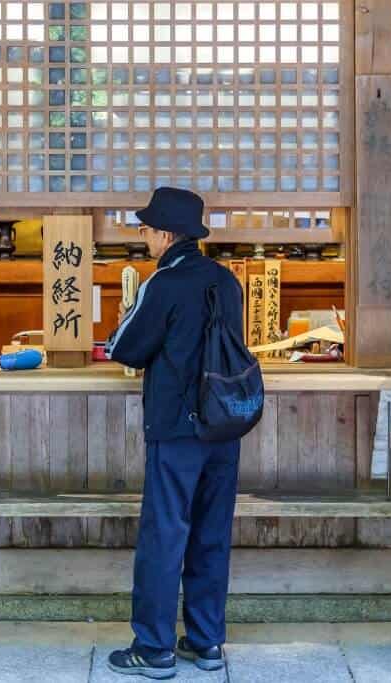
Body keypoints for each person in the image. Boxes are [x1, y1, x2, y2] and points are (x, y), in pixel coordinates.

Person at [104, 187, 244, 679]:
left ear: (165, 234)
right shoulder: (227, 282)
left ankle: (155, 647)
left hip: (175, 428)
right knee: (211, 533)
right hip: (224, 427)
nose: (142, 236)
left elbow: (125, 347)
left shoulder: (163, 283)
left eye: (145, 229)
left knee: (165, 534)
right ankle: (206, 643)